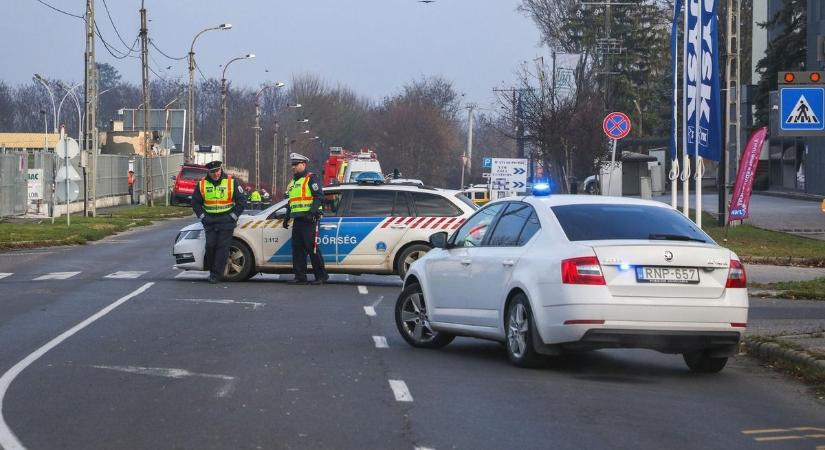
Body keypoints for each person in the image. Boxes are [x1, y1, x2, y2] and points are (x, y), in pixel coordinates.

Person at [191, 160, 247, 284]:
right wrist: (203, 217)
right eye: (213, 172)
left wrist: (233, 216)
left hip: (226, 221)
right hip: (210, 221)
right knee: (210, 246)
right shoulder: (202, 184)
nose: (216, 174)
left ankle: (216, 275)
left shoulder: (231, 182)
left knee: (222, 248)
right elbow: (195, 202)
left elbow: (242, 201)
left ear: (221, 169)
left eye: (217, 171)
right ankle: (213, 271)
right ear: (208, 172)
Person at [283, 153, 328, 285]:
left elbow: (319, 197)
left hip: (309, 220)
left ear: (303, 164)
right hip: (297, 220)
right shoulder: (293, 182)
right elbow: (292, 202)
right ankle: (300, 277)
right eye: (292, 165)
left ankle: (321, 276)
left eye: (296, 164)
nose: (293, 167)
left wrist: (311, 213)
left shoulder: (311, 178)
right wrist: (287, 217)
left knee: (312, 249)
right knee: (297, 249)